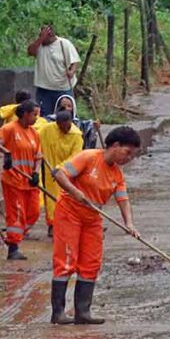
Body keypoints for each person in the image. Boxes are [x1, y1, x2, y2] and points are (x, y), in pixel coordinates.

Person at [50, 126, 141, 325]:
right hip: (70, 212)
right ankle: (58, 313)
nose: (128, 158)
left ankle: (83, 312)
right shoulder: (89, 157)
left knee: (91, 263)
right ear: (115, 145)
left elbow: (122, 199)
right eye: (127, 152)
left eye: (132, 156)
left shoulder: (117, 174)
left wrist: (129, 223)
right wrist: (76, 192)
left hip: (92, 218)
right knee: (66, 260)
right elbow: (60, 174)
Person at [0, 100, 43, 261]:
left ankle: (15, 237)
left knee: (34, 212)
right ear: (25, 114)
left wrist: (36, 173)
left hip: (29, 182)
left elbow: (38, 156)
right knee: (17, 214)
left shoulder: (34, 133)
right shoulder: (10, 128)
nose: (36, 118)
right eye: (34, 114)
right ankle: (13, 247)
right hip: (13, 180)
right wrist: (6, 153)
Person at [39, 110, 84, 237]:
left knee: (68, 198)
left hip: (67, 172)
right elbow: (35, 138)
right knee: (51, 200)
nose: (64, 129)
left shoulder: (76, 136)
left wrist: (60, 168)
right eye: (60, 127)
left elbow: (75, 157)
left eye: (67, 126)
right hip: (49, 172)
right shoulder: (47, 130)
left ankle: (69, 224)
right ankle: (52, 225)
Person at [28, 25, 80, 116]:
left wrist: (71, 72)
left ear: (51, 35)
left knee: (65, 115)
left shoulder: (64, 43)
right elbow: (30, 52)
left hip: (63, 88)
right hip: (44, 88)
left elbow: (74, 61)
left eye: (44, 36)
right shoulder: (39, 45)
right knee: (44, 116)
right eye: (40, 35)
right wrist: (41, 39)